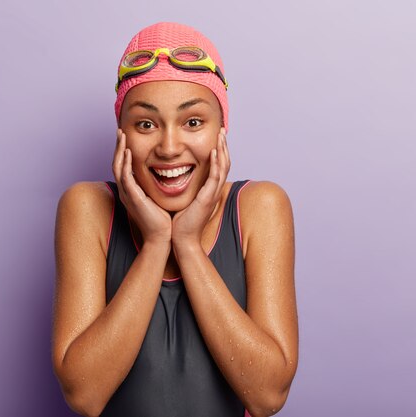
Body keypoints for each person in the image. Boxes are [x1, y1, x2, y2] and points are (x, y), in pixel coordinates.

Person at [52, 22, 298, 417]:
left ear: (222, 130)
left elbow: (267, 396)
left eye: (193, 122)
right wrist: (154, 244)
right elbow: (85, 396)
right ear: (122, 134)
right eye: (146, 124)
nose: (169, 147)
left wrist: (186, 243)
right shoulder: (87, 208)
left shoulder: (259, 207)